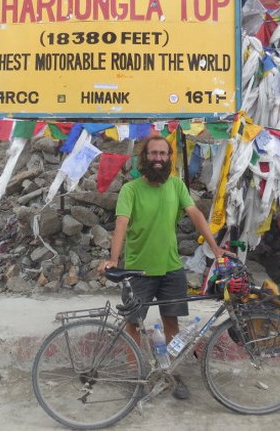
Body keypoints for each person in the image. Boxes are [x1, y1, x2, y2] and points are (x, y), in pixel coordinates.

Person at [98, 135, 227, 400]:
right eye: (154, 153)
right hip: (139, 270)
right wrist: (114, 258)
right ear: (144, 157)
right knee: (133, 324)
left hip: (171, 268)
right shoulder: (130, 189)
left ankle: (171, 373)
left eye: (163, 154)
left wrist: (215, 248)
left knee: (171, 323)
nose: (158, 158)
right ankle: (136, 376)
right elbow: (121, 223)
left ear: (169, 158)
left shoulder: (177, 186)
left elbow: (195, 214)